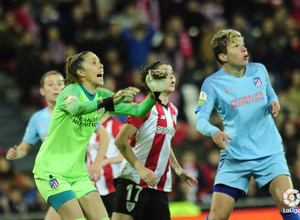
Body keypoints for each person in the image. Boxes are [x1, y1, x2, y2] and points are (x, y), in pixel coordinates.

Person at [31, 51, 167, 220]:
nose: (101, 65)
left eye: (100, 62)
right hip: (51, 171)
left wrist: (154, 94)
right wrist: (108, 102)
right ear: (81, 72)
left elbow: (138, 111)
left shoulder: (101, 95)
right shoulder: (70, 90)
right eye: (94, 62)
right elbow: (75, 109)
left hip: (78, 174)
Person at [195, 29, 300, 220]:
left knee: (288, 204)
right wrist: (214, 132)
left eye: (242, 44)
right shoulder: (212, 84)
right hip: (236, 156)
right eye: (236, 46)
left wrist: (273, 102)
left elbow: (270, 94)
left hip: (270, 152)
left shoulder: (259, 69)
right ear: (222, 56)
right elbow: (200, 120)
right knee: (217, 216)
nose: (244, 48)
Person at [112, 61, 198, 220]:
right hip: (134, 180)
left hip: (158, 184)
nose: (171, 76)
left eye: (172, 72)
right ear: (151, 79)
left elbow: (165, 142)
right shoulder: (144, 107)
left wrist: (178, 169)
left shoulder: (174, 110)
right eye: (165, 72)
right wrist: (141, 169)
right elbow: (121, 140)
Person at [6, 70, 65, 220]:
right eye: (50, 85)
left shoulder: (75, 112)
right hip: (57, 178)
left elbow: (100, 134)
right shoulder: (38, 118)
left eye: (59, 84)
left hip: (80, 175)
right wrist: (16, 153)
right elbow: (24, 148)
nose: (56, 88)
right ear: (42, 91)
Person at [86, 113, 124, 217]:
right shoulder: (87, 125)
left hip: (113, 185)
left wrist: (104, 162)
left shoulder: (115, 125)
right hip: (94, 186)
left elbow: (127, 155)